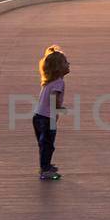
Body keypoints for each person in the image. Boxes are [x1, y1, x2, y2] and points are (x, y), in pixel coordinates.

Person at [33, 44, 69, 181]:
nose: (69, 64)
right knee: (48, 145)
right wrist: (59, 107)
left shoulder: (49, 81)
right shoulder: (59, 82)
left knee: (44, 144)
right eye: (65, 62)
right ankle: (45, 170)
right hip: (47, 119)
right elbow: (54, 98)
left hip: (38, 117)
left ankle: (45, 165)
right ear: (58, 68)